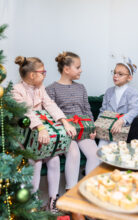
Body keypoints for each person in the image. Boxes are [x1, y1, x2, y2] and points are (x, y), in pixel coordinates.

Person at [12, 56, 76, 213]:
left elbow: (50, 104)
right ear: (33, 75)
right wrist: (40, 128)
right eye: (43, 72)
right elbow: (26, 112)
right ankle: (32, 201)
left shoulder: (40, 88)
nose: (45, 75)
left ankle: (53, 200)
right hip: (25, 135)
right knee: (37, 161)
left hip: (42, 136)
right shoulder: (16, 90)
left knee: (54, 159)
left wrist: (65, 121)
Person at [46, 52, 100, 187]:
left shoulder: (81, 87)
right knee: (74, 152)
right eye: (78, 67)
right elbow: (51, 115)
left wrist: (92, 128)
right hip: (65, 131)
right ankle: (71, 190)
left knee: (95, 153)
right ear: (66, 69)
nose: (81, 70)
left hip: (83, 128)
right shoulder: (51, 89)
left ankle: (89, 189)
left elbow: (87, 110)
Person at [97, 57, 138, 148]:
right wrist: (97, 125)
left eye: (120, 74)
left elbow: (135, 110)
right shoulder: (109, 91)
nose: (115, 76)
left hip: (121, 131)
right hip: (106, 129)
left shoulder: (133, 92)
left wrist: (122, 120)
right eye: (115, 73)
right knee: (100, 149)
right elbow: (103, 110)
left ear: (129, 78)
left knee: (113, 149)